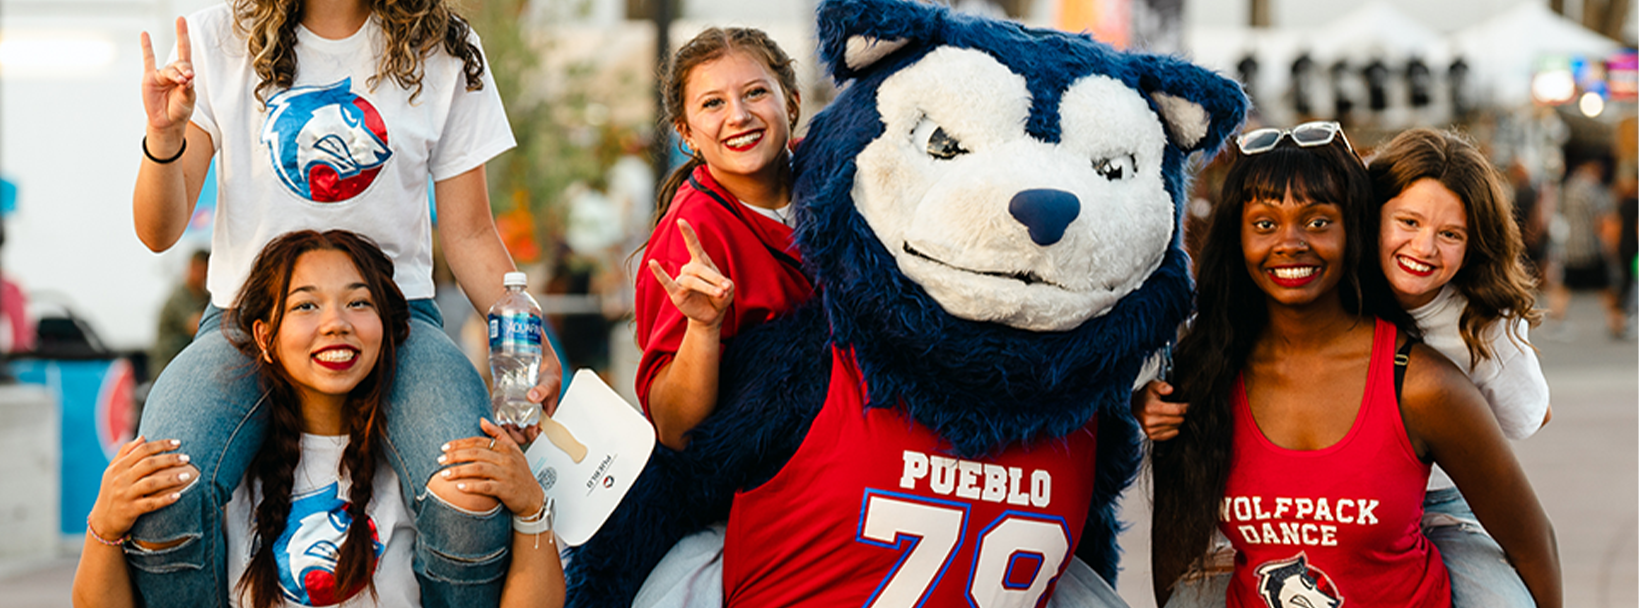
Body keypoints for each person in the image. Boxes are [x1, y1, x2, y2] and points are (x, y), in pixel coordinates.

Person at [129, 3, 563, 606]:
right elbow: (159, 231)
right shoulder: (217, 35)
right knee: (161, 492)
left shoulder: (445, 45)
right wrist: (163, 137)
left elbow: (467, 233)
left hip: (395, 321)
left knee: (469, 495)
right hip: (247, 324)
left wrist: (530, 338)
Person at [1145, 122, 1560, 607]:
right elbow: (1173, 580)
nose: (1290, 242)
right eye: (1264, 224)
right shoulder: (1201, 375)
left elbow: (1534, 539)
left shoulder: (1437, 373)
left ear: (1353, 228)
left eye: (1319, 221)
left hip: (1446, 517)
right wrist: (1141, 399)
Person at [73, 230, 563, 608]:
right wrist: (105, 524)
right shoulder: (221, 465)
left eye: (358, 303)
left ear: (387, 331)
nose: (336, 323)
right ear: (264, 335)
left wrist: (530, 509)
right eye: (306, 305)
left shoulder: (431, 465)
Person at [634, 27, 811, 451]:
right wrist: (703, 326)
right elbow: (674, 430)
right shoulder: (691, 232)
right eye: (713, 103)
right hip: (766, 471)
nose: (738, 116)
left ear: (791, 101)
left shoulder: (844, 172)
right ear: (687, 134)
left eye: (754, 93)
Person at [151, 249, 211, 379]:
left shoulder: (204, 297)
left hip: (188, 364)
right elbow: (196, 326)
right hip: (169, 364)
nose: (202, 275)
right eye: (199, 270)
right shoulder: (180, 296)